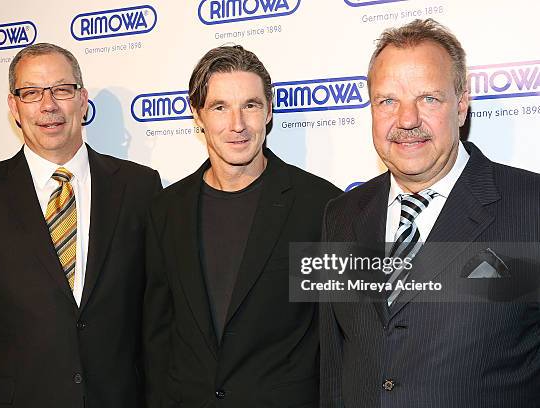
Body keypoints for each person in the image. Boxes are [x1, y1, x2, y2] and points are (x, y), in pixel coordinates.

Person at [320, 19, 540, 407]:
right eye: (388, 100)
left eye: (428, 99)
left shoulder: (530, 206)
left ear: (461, 106)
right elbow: (335, 364)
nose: (407, 120)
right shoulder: (340, 215)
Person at [0, 43, 161, 407]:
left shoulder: (140, 187)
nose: (48, 105)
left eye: (62, 90)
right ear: (14, 107)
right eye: (32, 93)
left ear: (82, 101)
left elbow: (158, 316)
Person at [143, 45, 341, 407]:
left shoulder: (322, 205)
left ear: (268, 110)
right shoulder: (166, 209)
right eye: (220, 107)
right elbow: (157, 334)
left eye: (250, 105)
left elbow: (340, 333)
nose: (237, 124)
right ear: (197, 115)